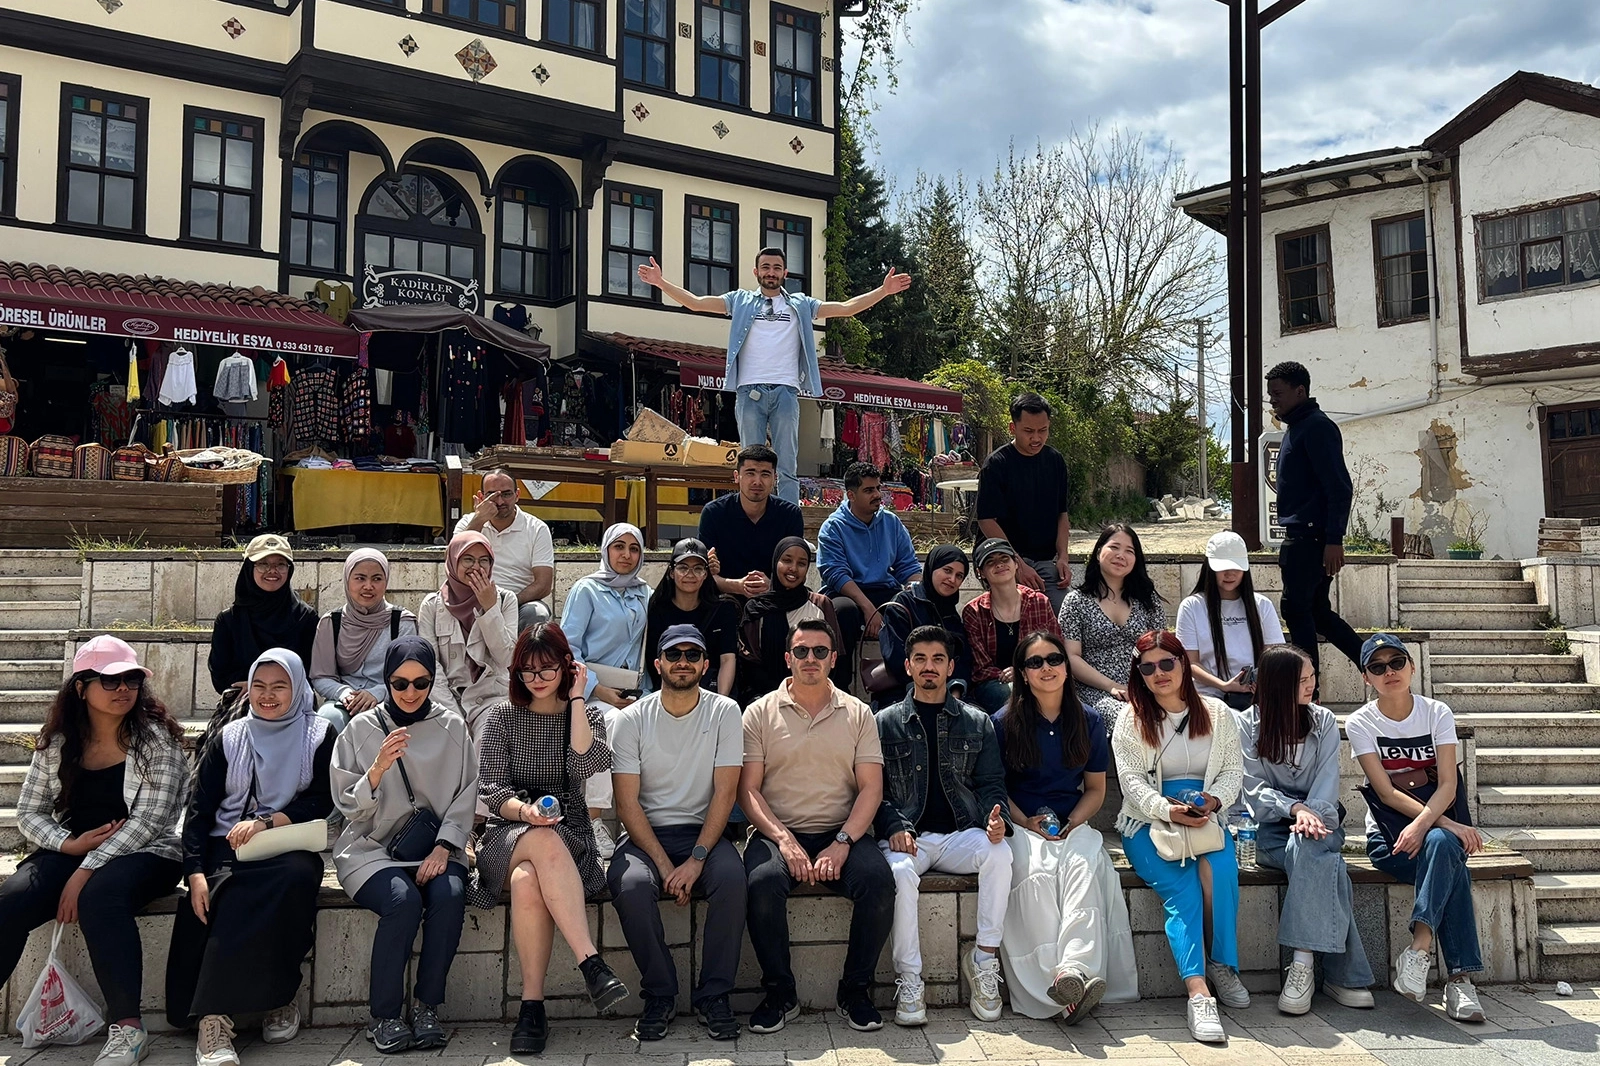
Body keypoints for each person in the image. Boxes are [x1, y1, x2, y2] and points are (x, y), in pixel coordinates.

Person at [1, 636, 186, 1066]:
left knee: (100, 896)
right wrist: (70, 846)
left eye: (132, 680)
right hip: (74, 846)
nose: (123, 689)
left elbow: (150, 822)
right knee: (12, 898)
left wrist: (84, 871)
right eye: (110, 680)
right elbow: (29, 813)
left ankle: (129, 1030)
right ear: (82, 687)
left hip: (148, 851)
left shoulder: (157, 741)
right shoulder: (59, 742)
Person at [166, 649, 334, 1065]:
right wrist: (194, 872)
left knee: (297, 878)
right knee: (226, 894)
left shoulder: (318, 733)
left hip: (285, 841)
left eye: (279, 686)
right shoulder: (231, 736)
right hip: (226, 843)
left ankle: (278, 998)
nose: (267, 696)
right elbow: (199, 809)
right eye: (259, 686)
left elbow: (322, 798)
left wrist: (267, 822)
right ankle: (212, 1020)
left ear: (298, 689)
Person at [637, 250, 912, 502]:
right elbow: (696, 303)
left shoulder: (801, 304)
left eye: (777, 267)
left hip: (785, 392)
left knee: (787, 465)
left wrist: (884, 291)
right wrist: (661, 283)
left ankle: (789, 523)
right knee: (750, 463)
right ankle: (751, 519)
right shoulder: (740, 300)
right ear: (756, 271)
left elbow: (845, 308)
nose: (771, 272)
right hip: (749, 391)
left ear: (785, 273)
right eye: (766, 267)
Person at [470, 623, 629, 1055]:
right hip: (508, 830)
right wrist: (528, 813)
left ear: (567, 667)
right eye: (527, 670)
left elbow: (585, 764)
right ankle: (590, 962)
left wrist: (577, 697)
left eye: (547, 669)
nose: (537, 679)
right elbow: (492, 790)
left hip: (569, 832)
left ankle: (531, 1007)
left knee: (527, 880)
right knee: (538, 841)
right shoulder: (501, 717)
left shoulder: (587, 716)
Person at [740, 618, 894, 1034]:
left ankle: (855, 991)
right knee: (761, 884)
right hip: (777, 831)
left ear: (833, 659)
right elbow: (748, 790)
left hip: (840, 830)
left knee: (879, 882)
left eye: (820, 651)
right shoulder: (758, 712)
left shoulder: (858, 712)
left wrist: (843, 841)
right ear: (788, 658)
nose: (811, 658)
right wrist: (784, 840)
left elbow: (871, 788)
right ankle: (780, 993)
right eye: (802, 651)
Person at [329, 637, 478, 1054]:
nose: (410, 692)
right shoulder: (360, 729)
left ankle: (427, 1007)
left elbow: (466, 794)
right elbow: (346, 805)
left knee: (449, 894)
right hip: (370, 848)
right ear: (386, 680)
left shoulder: (452, 727)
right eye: (399, 683)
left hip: (436, 845)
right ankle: (385, 1016)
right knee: (403, 901)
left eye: (421, 682)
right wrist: (377, 769)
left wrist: (444, 847)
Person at [608, 624, 745, 1042]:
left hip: (704, 833)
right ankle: (660, 994)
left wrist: (696, 860)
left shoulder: (725, 711)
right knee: (630, 885)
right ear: (658, 663)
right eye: (674, 654)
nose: (682, 662)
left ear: (705, 664)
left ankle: (714, 996)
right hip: (645, 836)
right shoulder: (631, 719)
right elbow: (627, 804)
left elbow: (725, 793)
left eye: (692, 655)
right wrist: (668, 866)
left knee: (733, 879)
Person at [993, 631, 1137, 1023]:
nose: (1047, 668)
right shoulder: (1003, 723)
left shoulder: (1088, 720)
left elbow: (1095, 789)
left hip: (1073, 822)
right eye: (1035, 662)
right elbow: (996, 787)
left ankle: (1073, 972)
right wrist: (1026, 822)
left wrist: (1073, 823)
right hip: (1022, 823)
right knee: (1037, 876)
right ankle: (1051, 987)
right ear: (1022, 674)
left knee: (1083, 869)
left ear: (1066, 666)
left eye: (1055, 659)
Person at [1113, 630, 1245, 1045]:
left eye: (1167, 663)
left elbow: (1232, 772)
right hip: (1147, 822)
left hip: (1205, 819)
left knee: (1220, 872)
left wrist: (1212, 802)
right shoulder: (1131, 718)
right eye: (1148, 667)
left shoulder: (1217, 713)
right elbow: (1131, 781)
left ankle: (1221, 963)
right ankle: (1198, 992)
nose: (1159, 673)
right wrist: (1166, 810)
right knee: (1183, 888)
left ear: (1183, 664)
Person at [874, 626, 1010, 1026]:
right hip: (907, 836)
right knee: (900, 873)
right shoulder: (883, 723)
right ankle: (910, 978)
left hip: (959, 834)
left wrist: (996, 819)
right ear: (908, 666)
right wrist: (895, 825)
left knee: (1000, 852)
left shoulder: (977, 721)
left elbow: (991, 783)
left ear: (951, 667)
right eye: (920, 658)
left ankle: (984, 960)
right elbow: (872, 791)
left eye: (938, 659)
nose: (929, 667)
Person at [1347, 633, 1487, 1023]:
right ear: (1366, 678)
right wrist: (1441, 825)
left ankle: (1419, 949)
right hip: (1391, 840)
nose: (1389, 672)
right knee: (1450, 858)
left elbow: (1448, 784)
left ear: (1412, 666)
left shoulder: (1436, 712)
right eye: (1377, 667)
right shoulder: (1361, 722)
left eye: (1396, 662)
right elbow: (1386, 792)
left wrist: (1425, 825)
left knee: (1441, 845)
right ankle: (1459, 981)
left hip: (1431, 833)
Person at [1238, 644, 1374, 1016]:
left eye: (1313, 676)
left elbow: (1327, 785)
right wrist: (1294, 808)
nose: (1311, 685)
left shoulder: (1323, 720)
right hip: (1268, 829)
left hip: (1320, 822)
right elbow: (1253, 790)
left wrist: (1309, 815)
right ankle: (1344, 977)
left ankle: (1302, 964)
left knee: (1309, 846)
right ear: (1278, 684)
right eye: (1302, 680)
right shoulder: (1247, 724)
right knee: (1330, 866)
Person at [1266, 361, 1364, 683]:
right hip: (1302, 536)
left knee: (1296, 610)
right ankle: (1373, 664)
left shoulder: (1317, 427)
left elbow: (1339, 487)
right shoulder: (1297, 428)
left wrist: (1334, 540)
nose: (1273, 401)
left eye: (1278, 394)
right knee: (1317, 613)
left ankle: (1308, 689)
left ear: (1300, 391)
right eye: (1270, 395)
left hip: (1311, 539)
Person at [560, 522, 650, 859]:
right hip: (590, 693)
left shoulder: (645, 593)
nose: (626, 555)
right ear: (606, 550)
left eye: (634, 548)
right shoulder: (587, 590)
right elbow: (567, 648)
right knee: (608, 723)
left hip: (634, 692)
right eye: (619, 547)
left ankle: (640, 819)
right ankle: (593, 820)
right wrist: (599, 689)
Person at [416, 530, 519, 745]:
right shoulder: (432, 605)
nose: (476, 567)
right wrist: (452, 714)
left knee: (487, 741)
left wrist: (490, 608)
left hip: (491, 698)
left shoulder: (505, 599)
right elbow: (430, 666)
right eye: (468, 560)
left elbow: (506, 658)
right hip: (447, 699)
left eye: (484, 561)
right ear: (453, 562)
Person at [1060, 524, 1167, 726]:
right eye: (1114, 547)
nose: (1121, 555)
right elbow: (1071, 657)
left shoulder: (1148, 600)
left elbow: (1162, 648)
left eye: (1129, 551)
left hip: (1146, 684)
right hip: (1095, 689)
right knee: (1129, 719)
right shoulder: (1076, 602)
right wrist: (1111, 685)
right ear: (1099, 552)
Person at [975, 392, 1073, 611]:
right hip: (1003, 559)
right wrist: (1017, 563)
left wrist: (1063, 558)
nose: (1036, 438)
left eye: (1043, 430)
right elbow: (986, 520)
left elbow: (1062, 514)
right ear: (1013, 428)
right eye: (1028, 431)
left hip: (1045, 561)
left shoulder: (1055, 461)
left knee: (1065, 612)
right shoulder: (996, 464)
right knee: (1020, 612)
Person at [818, 461, 922, 664]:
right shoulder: (833, 527)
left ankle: (904, 677)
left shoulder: (891, 522)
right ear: (851, 495)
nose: (877, 495)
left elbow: (908, 566)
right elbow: (835, 574)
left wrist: (917, 590)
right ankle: (840, 679)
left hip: (884, 590)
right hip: (847, 593)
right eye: (868, 490)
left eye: (877, 488)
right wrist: (868, 608)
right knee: (843, 612)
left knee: (910, 608)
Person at [309, 549, 418, 734]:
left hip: (390, 699)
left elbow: (408, 675)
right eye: (360, 578)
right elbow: (321, 676)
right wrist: (344, 693)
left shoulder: (402, 622)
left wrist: (378, 693)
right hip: (344, 701)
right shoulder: (332, 622)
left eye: (377, 579)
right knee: (328, 719)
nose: (368, 586)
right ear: (347, 580)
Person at [1174, 530, 1285, 709]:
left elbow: (1275, 656)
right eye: (1222, 568)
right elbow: (1190, 662)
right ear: (1210, 567)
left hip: (1256, 697)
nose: (1230, 574)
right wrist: (1224, 685)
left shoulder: (1262, 605)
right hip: (1208, 698)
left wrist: (1258, 684)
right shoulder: (1192, 606)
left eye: (1236, 567)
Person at [206, 534, 317, 699]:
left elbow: (311, 672)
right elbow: (220, 676)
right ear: (249, 568)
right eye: (263, 564)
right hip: (243, 699)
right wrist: (255, 688)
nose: (272, 571)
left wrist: (275, 690)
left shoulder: (305, 617)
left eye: (280, 564)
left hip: (294, 700)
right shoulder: (229, 620)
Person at [737, 535, 847, 701]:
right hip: (766, 697)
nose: (793, 568)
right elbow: (750, 664)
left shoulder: (820, 604)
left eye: (801, 563)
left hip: (816, 694)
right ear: (775, 562)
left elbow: (836, 660)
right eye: (787, 560)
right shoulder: (756, 608)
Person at [963, 539, 1062, 714]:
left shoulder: (1039, 602)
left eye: (1004, 559)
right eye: (990, 562)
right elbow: (980, 667)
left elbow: (1056, 648)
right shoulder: (974, 611)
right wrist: (1012, 676)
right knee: (1014, 696)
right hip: (995, 683)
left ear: (1016, 564)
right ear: (980, 573)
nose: (999, 564)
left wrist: (1022, 671)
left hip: (1038, 673)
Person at [698, 445, 805, 602]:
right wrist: (739, 586)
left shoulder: (790, 515)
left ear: (775, 478)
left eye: (765, 474)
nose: (757, 481)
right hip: (724, 599)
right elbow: (702, 574)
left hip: (775, 599)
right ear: (737, 476)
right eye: (750, 473)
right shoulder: (714, 513)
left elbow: (797, 571)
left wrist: (772, 586)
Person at [454, 468, 556, 633]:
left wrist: (508, 602)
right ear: (481, 497)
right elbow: (453, 561)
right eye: (492, 495)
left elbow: (543, 585)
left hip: (520, 602)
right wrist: (479, 519)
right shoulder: (468, 523)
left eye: (506, 494)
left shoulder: (537, 528)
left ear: (517, 495)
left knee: (537, 613)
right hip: (472, 599)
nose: (500, 501)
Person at [877, 546, 973, 704]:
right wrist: (928, 691)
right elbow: (895, 655)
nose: (952, 579)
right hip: (904, 691)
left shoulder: (952, 614)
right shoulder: (903, 604)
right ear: (932, 568)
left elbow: (963, 659)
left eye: (959, 576)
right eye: (947, 571)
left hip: (948, 692)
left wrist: (955, 690)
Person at [644, 539, 738, 697]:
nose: (690, 574)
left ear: (706, 574)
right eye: (683, 568)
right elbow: (654, 660)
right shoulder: (657, 609)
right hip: (669, 692)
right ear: (671, 572)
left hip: (712, 692)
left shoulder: (723, 609)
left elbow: (727, 659)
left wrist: (721, 701)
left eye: (698, 569)